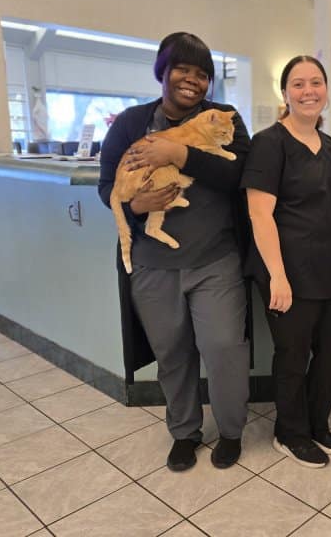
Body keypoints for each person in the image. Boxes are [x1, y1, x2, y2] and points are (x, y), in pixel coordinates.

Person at [98, 32, 251, 473]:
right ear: (162, 71)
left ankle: (231, 431)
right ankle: (184, 432)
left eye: (202, 74)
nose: (192, 80)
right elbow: (106, 184)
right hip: (153, 265)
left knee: (223, 348)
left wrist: (178, 152)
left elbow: (238, 172)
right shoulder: (130, 122)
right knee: (172, 353)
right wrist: (133, 204)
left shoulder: (225, 118)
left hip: (215, 260)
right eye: (183, 69)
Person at [242, 55, 331, 468]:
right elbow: (260, 213)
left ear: (326, 90)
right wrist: (277, 274)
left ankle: (317, 422)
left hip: (330, 267)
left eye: (316, 82)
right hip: (286, 269)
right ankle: (289, 432)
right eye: (298, 84)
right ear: (286, 93)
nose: (308, 91)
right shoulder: (269, 143)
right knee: (293, 354)